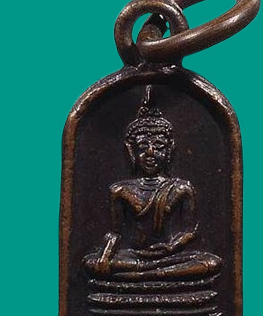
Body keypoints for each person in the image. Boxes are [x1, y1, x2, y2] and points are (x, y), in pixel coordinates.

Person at [83, 87, 221, 281]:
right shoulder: (120, 190)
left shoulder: (181, 189)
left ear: (169, 151)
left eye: (158, 146)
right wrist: (105, 256)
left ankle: (147, 274)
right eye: (142, 147)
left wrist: (172, 247)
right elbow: (115, 233)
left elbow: (190, 231)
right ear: (132, 152)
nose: (150, 153)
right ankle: (153, 273)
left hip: (170, 256)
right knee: (89, 262)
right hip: (133, 255)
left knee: (211, 262)